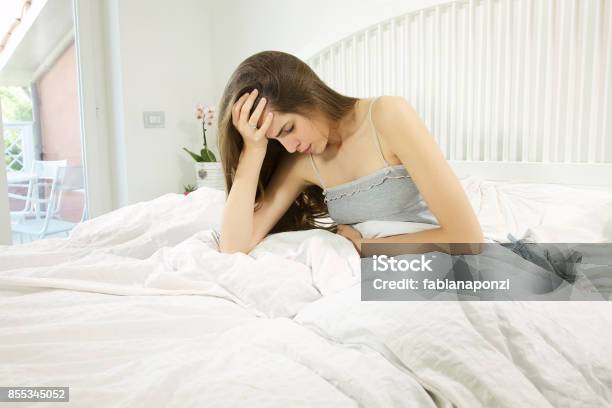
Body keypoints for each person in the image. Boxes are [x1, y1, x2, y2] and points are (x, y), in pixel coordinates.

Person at [217, 50, 483, 255]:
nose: (289, 146)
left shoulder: (386, 116)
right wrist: (253, 149)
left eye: (288, 128)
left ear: (308, 96)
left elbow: (468, 238)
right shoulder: (302, 161)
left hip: (432, 255)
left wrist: (366, 248)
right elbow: (233, 247)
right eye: (276, 139)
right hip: (360, 270)